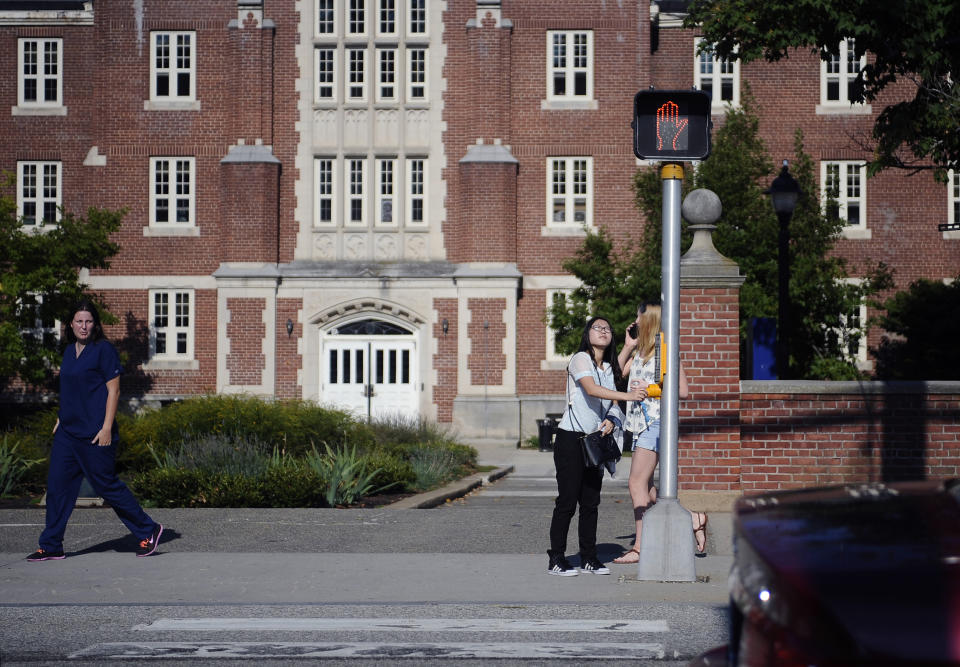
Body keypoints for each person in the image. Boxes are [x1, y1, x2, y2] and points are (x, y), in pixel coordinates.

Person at [27, 300, 163, 561]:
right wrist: (60, 416)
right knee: (57, 487)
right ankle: (52, 544)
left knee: (107, 486)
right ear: (70, 324)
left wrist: (107, 428)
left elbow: (114, 391)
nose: (84, 326)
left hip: (95, 432)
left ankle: (150, 530)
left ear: (96, 324)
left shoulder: (104, 351)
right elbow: (71, 389)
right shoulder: (69, 352)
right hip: (68, 432)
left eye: (89, 321)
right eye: (79, 321)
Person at [547, 316, 645, 576]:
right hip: (571, 439)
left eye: (607, 329)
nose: (603, 332)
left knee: (591, 502)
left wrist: (613, 419)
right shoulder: (580, 359)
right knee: (567, 502)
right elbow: (591, 390)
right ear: (587, 333)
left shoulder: (606, 368)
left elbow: (611, 391)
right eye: (597, 328)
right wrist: (628, 396)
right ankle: (556, 558)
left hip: (594, 440)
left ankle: (589, 557)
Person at [612, 302, 707, 565]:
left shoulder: (665, 351)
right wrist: (628, 346)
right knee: (649, 488)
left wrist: (651, 389)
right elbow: (615, 377)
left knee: (635, 484)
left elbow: (683, 391)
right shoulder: (641, 351)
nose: (635, 321)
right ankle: (694, 519)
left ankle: (640, 548)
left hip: (656, 423)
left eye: (638, 317)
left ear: (650, 319)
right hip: (640, 423)